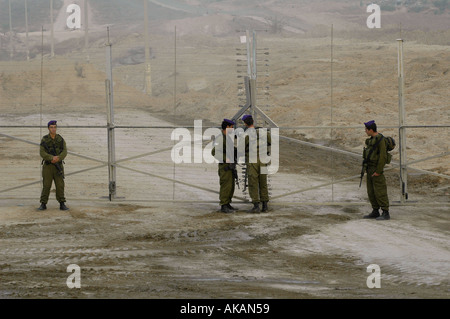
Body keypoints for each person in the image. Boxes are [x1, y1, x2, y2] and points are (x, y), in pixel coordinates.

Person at [242, 114, 271, 213]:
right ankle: (265, 206)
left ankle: (256, 206)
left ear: (245, 123)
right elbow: (270, 142)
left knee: (253, 183)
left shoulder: (246, 134)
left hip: (252, 160)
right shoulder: (263, 132)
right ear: (253, 122)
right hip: (263, 160)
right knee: (263, 182)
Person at [362, 120, 390, 220]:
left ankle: (385, 212)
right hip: (369, 168)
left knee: (380, 191)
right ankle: (375, 210)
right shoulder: (372, 139)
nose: (365, 131)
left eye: (366, 129)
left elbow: (383, 157)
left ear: (371, 130)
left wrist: (378, 171)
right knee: (371, 191)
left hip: (376, 169)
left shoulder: (380, 140)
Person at [39, 120, 69, 211]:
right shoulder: (44, 139)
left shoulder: (60, 139)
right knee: (46, 185)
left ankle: (62, 203)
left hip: (58, 165)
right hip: (48, 166)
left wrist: (58, 158)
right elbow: (42, 152)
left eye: (55, 127)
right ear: (48, 128)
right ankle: (43, 204)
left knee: (60, 185)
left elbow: (64, 151)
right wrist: (51, 158)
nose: (53, 129)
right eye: (51, 127)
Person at [212, 119, 238, 214]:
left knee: (231, 186)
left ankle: (227, 204)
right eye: (231, 127)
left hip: (230, 166)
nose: (233, 129)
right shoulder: (220, 138)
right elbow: (214, 152)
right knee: (225, 186)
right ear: (227, 127)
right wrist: (225, 159)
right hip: (225, 167)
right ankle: (223, 205)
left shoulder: (227, 137)